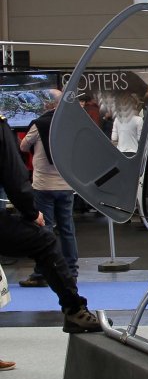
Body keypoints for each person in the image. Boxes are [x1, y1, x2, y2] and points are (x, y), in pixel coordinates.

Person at [0, 113, 103, 333]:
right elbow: (14, 177)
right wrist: (30, 213)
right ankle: (75, 310)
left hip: (45, 184)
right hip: (61, 186)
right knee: (44, 240)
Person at [18, 90, 80, 286]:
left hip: (44, 185)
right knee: (67, 229)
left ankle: (42, 273)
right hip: (66, 184)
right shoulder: (71, 124)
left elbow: (23, 146)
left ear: (47, 104)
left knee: (45, 230)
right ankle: (71, 271)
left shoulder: (38, 124)